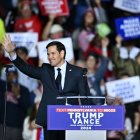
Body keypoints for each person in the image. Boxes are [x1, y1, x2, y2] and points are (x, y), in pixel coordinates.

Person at [2, 35, 91, 140]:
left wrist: (94, 115)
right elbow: (26, 68)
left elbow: (85, 99)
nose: (49, 57)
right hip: (50, 119)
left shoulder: (78, 72)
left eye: (53, 53)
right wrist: (12, 53)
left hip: (70, 120)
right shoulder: (45, 70)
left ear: (62, 54)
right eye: (48, 54)